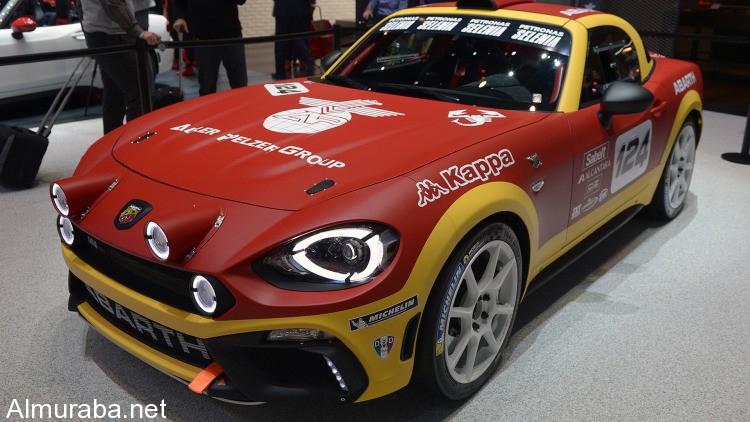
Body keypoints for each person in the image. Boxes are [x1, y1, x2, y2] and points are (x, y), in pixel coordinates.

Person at [78, 0, 162, 134]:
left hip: (102, 32)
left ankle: (113, 147)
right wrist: (136, 31)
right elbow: (113, 3)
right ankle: (134, 149)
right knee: (140, 95)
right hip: (115, 34)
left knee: (115, 96)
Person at [172, 0, 248, 96]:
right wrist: (179, 17)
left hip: (231, 33)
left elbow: (241, 1)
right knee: (207, 87)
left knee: (240, 84)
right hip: (204, 36)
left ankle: (244, 109)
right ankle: (208, 110)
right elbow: (178, 2)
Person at [272, 0, 316, 80]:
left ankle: (281, 72)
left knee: (281, 41)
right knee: (299, 38)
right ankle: (307, 58)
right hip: (302, 9)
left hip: (283, 9)